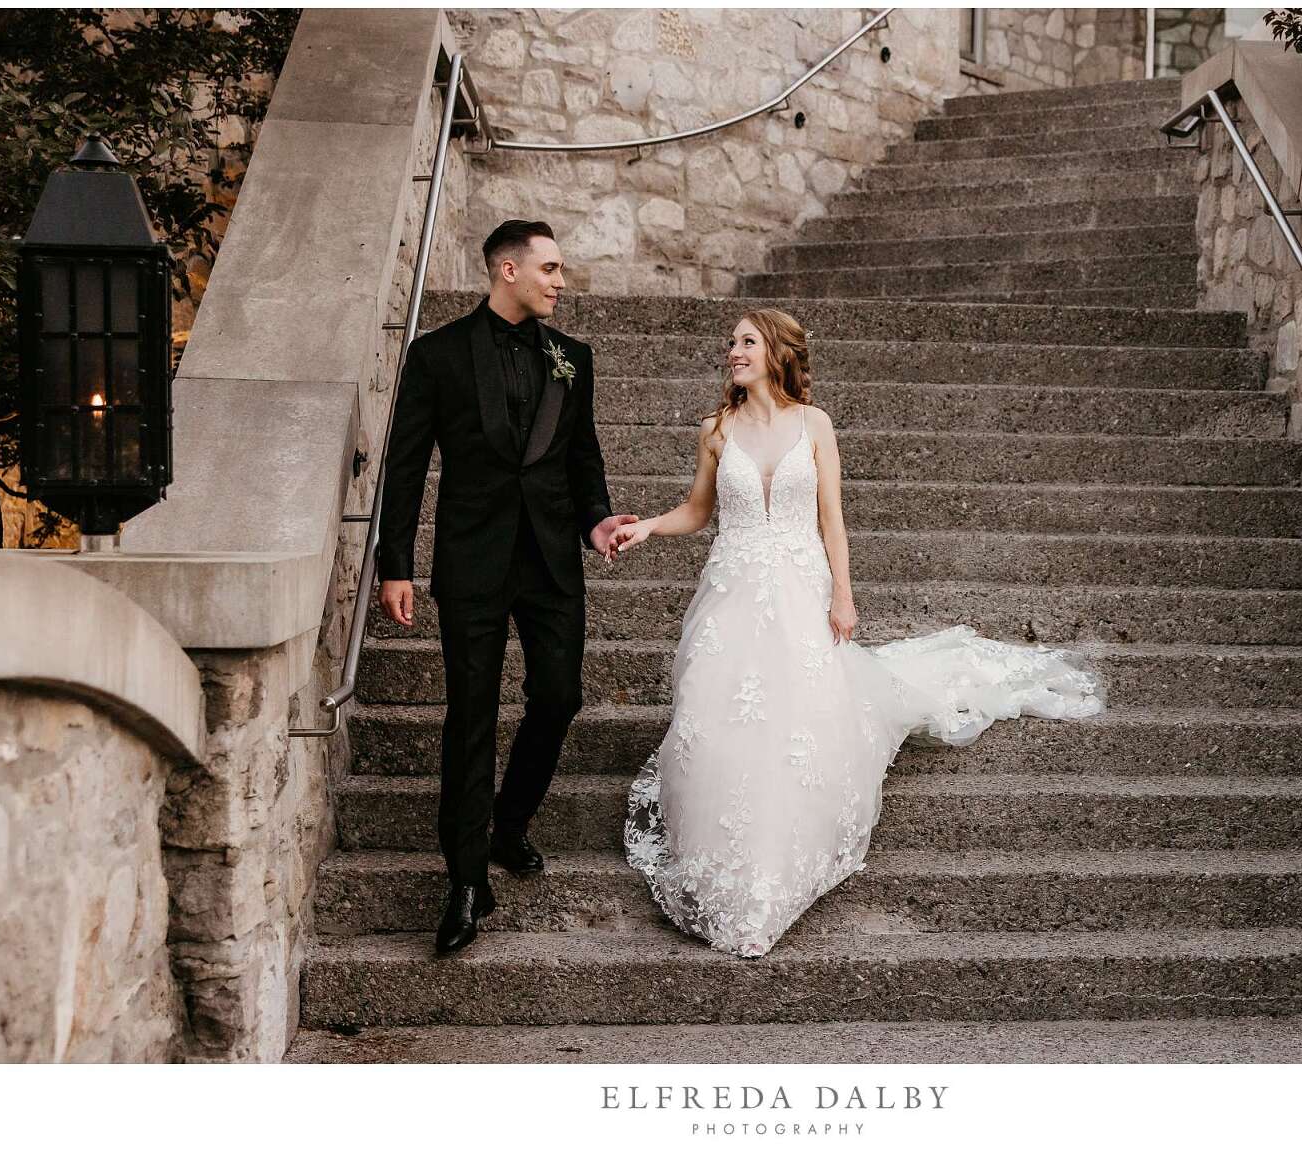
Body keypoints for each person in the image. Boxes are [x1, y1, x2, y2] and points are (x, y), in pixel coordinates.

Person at [612, 308, 1107, 958]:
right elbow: (700, 510)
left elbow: (832, 521)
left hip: (799, 586)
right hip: (732, 592)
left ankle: (779, 863)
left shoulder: (813, 425)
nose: (733, 350)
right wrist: (648, 525)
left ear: (776, 351)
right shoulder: (717, 428)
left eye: (746, 341)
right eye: (730, 341)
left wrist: (843, 594)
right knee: (719, 718)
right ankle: (725, 870)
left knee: (796, 717)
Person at [376, 219, 637, 956]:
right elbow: (405, 467)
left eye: (562, 270)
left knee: (559, 697)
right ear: (508, 271)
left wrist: (595, 524)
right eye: (550, 268)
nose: (561, 281)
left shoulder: (571, 359)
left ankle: (509, 822)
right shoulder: (437, 357)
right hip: (473, 565)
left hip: (553, 561)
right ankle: (463, 881)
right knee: (471, 716)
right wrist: (396, 564)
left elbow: (584, 461)